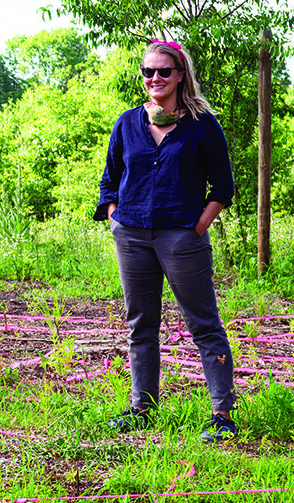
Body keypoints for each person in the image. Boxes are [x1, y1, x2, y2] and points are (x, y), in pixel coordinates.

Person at [94, 40, 237, 441]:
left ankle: (222, 415)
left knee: (204, 323)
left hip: (180, 238)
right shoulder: (127, 123)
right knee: (140, 323)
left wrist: (196, 228)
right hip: (132, 235)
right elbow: (109, 181)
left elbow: (222, 187)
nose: (155, 78)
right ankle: (142, 408)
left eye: (163, 71)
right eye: (147, 72)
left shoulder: (202, 124)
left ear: (180, 76)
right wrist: (114, 217)